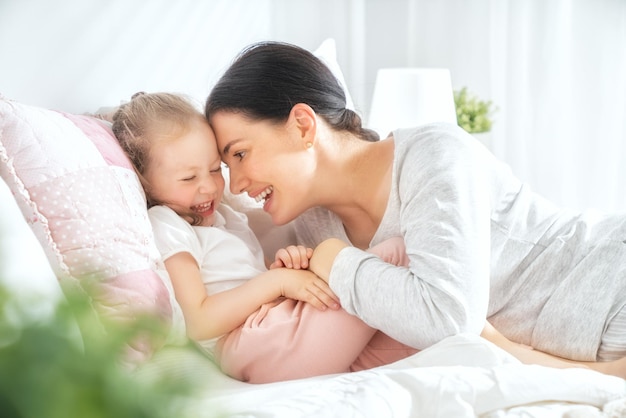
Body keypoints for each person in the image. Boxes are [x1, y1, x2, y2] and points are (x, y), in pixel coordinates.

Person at [204, 41, 626, 378]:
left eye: (239, 154)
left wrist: (337, 261)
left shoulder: (433, 153)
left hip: (608, 281)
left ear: (302, 125)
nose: (236, 183)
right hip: (576, 347)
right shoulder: (313, 223)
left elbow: (447, 317)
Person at [111, 92, 419, 384]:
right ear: (146, 184)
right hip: (248, 342)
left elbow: (251, 277)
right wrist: (278, 282)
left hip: (275, 328)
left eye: (215, 170)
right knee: (396, 253)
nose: (209, 187)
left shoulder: (226, 219)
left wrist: (286, 267)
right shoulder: (168, 224)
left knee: (407, 338)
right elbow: (198, 320)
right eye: (189, 178)